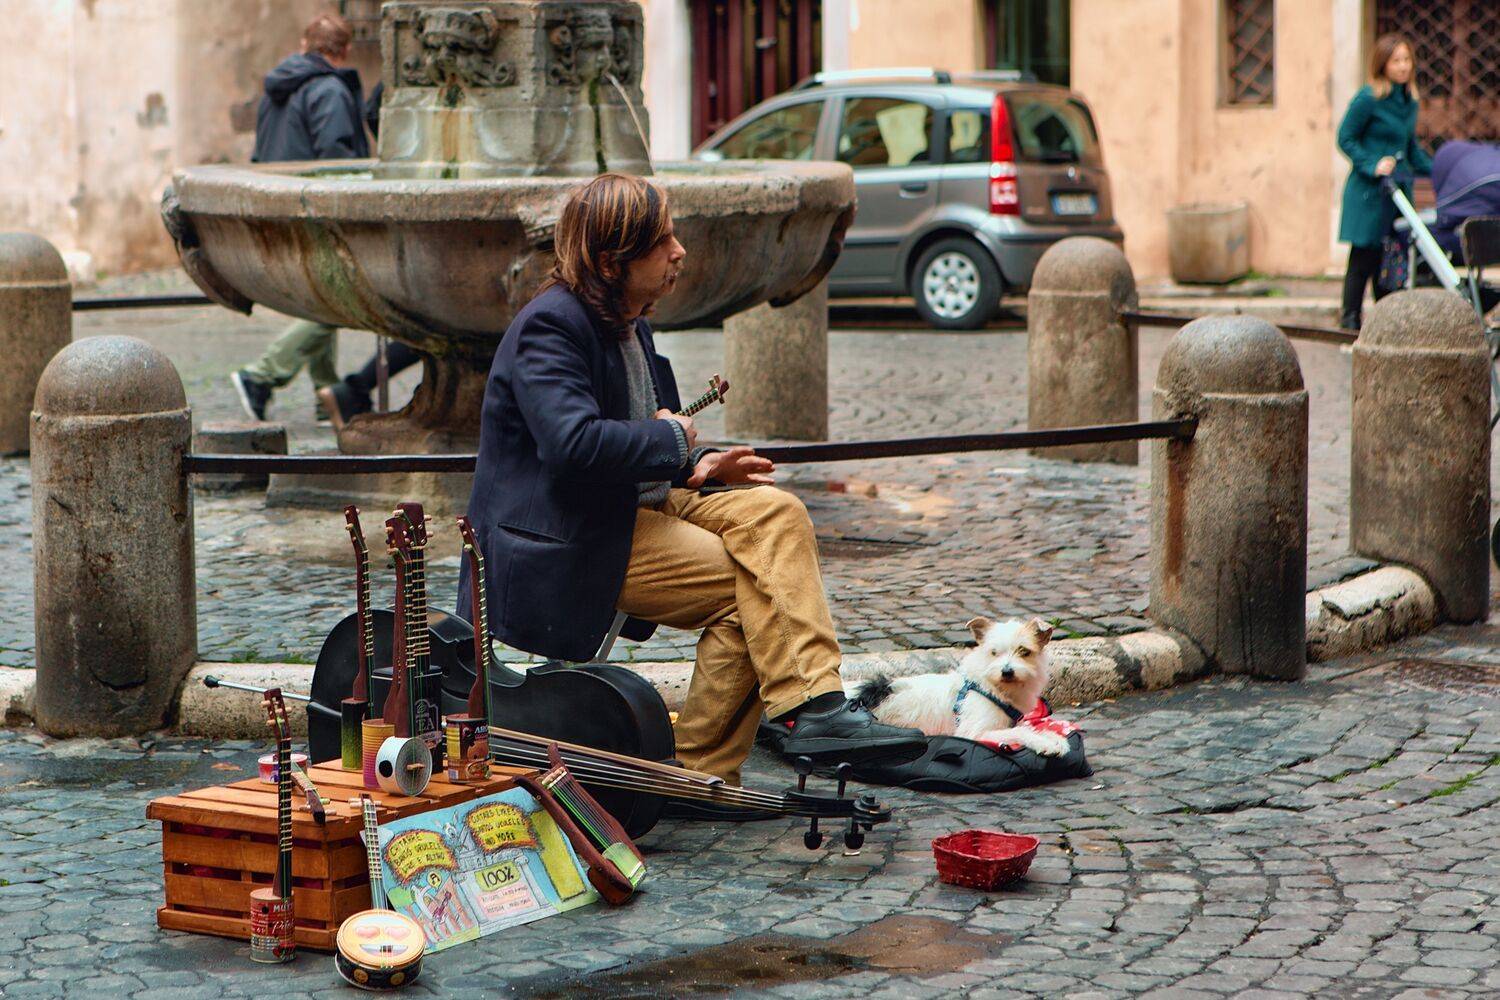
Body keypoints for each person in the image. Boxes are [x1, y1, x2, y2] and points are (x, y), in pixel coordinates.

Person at [461, 173, 925, 806]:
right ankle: (699, 773)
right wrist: (673, 442)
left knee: (779, 512)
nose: (679, 252)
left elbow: (656, 433)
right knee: (752, 588)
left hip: (626, 507)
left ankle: (814, 705)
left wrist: (703, 463)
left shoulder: (630, 321)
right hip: (566, 536)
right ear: (611, 261)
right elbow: (574, 446)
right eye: (662, 243)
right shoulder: (552, 325)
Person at [230, 12, 370, 421]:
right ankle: (261, 376)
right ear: (344, 51)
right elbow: (337, 159)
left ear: (305, 45)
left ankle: (327, 391)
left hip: (280, 203)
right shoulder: (329, 90)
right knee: (341, 300)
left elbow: (262, 150)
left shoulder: (276, 88)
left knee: (323, 294)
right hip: (316, 210)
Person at [1336, 33, 1431, 331]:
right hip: (1368, 192)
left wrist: (1440, 170)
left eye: (1407, 60)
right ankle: (1350, 321)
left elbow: (1411, 148)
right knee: (1363, 257)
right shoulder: (1368, 99)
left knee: (1391, 258)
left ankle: (1385, 325)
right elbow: (1345, 138)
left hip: (1397, 193)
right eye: (1396, 61)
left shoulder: (1409, 101)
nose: (1403, 66)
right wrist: (1372, 163)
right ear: (1383, 64)